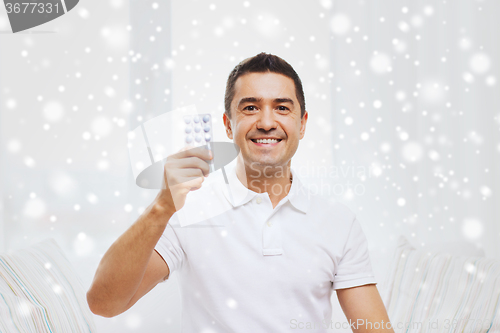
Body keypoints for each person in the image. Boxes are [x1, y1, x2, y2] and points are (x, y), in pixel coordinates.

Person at [87, 52, 395, 332]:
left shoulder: (338, 222)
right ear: (227, 124)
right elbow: (105, 304)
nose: (266, 122)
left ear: (302, 124)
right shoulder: (189, 208)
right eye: (250, 107)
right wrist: (161, 208)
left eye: (282, 108)